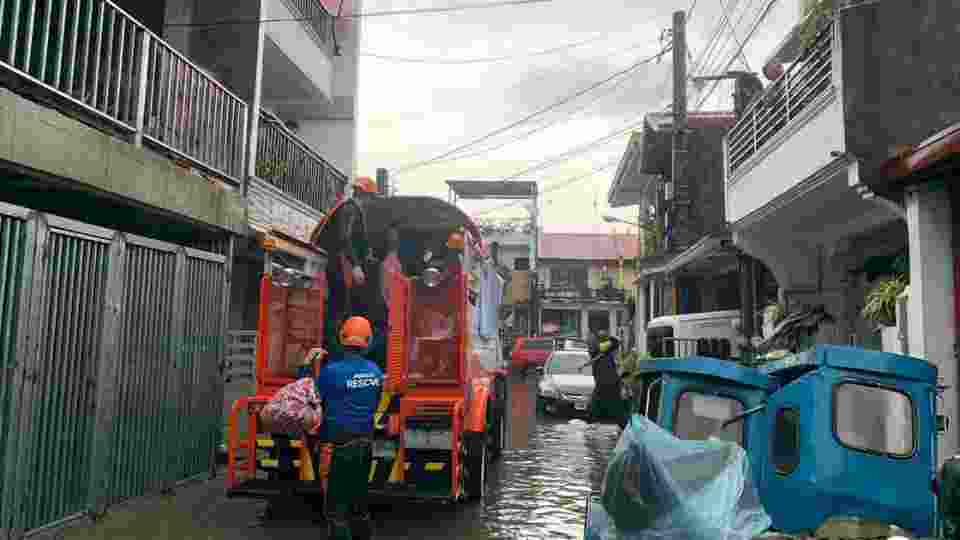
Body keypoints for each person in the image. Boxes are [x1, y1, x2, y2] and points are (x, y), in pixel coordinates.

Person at [315, 316, 384, 540]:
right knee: (359, 507)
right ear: (368, 341)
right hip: (365, 446)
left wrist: (307, 365)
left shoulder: (331, 372)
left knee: (337, 512)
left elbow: (311, 397)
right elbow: (374, 402)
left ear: (341, 338)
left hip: (338, 448)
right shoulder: (375, 372)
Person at [581, 332, 627, 430]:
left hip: (609, 384)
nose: (589, 347)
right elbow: (614, 343)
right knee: (594, 409)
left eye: (590, 343)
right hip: (605, 384)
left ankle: (625, 428)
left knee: (615, 410)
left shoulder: (603, 352)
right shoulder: (597, 352)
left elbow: (615, 343)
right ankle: (590, 429)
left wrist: (613, 340)